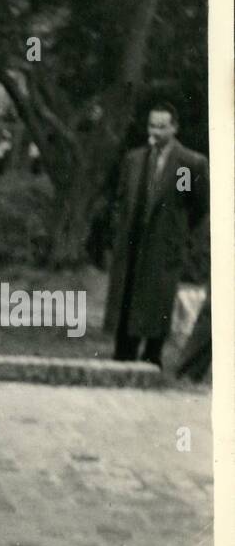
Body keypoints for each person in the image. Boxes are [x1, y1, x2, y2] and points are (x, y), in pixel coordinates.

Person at [104, 101, 209, 366]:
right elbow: (120, 200)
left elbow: (195, 204)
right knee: (126, 299)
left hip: (164, 243)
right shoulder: (135, 159)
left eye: (162, 126)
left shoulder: (187, 164)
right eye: (152, 125)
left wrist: (180, 236)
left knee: (156, 303)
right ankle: (122, 356)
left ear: (174, 128)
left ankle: (151, 357)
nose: (156, 131)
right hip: (133, 241)